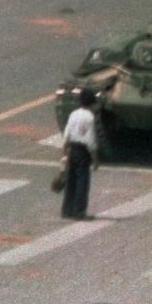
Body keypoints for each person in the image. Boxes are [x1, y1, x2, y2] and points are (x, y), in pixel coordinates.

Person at [61, 88, 100, 220]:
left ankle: (67, 209)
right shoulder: (89, 117)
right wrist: (95, 159)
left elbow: (67, 134)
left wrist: (65, 153)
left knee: (71, 180)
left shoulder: (73, 114)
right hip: (83, 151)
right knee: (83, 181)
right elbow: (91, 141)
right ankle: (79, 211)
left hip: (72, 148)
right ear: (92, 103)